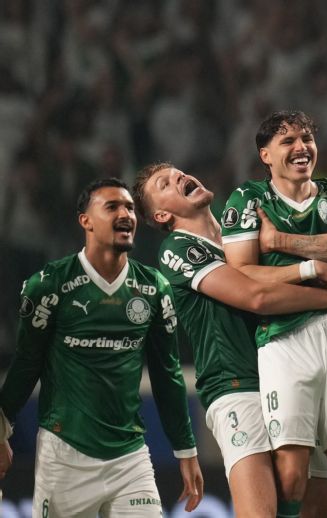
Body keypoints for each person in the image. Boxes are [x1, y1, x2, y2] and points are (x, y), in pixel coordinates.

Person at [133, 162, 327, 516]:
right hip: (236, 385)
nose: (178, 177)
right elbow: (257, 297)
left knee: (317, 508)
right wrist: (326, 293)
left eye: (177, 172)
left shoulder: (240, 235)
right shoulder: (176, 248)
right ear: (162, 215)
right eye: (164, 183)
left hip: (289, 372)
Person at [0, 178, 204, 516]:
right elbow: (26, 364)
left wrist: (186, 450)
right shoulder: (50, 285)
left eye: (130, 208)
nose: (126, 214)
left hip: (130, 456)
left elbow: (167, 374)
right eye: (112, 207)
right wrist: (1, 428)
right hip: (65, 454)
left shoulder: (153, 287)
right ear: (86, 221)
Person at [222, 110, 327, 518]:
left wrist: (278, 241)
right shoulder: (248, 199)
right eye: (288, 141)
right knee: (292, 476)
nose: (301, 147)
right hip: (282, 339)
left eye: (306, 138)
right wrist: (313, 269)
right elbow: (241, 273)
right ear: (265, 155)